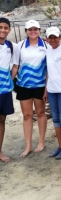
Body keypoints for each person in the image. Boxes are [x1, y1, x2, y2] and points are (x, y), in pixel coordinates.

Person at [11, 20, 47, 158]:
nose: (33, 31)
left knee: (41, 113)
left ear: (39, 30)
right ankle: (28, 146)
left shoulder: (45, 45)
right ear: (26, 31)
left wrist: (47, 88)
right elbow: (15, 66)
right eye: (30, 29)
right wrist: (8, 82)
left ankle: (41, 142)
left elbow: (49, 68)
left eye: (35, 29)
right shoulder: (19, 46)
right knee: (27, 116)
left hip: (40, 85)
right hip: (23, 85)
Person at [43, 26, 61, 159]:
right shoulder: (48, 51)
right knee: (55, 119)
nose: (53, 40)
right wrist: (46, 89)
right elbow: (49, 71)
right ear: (47, 39)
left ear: (60, 37)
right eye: (50, 37)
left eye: (55, 37)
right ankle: (60, 145)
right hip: (52, 89)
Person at [0, 17, 15, 162]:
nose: (3, 30)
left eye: (6, 27)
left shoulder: (10, 45)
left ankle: (0, 151)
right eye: (0, 27)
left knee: (2, 119)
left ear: (9, 30)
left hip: (4, 90)